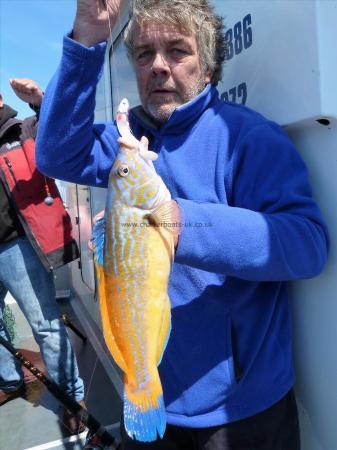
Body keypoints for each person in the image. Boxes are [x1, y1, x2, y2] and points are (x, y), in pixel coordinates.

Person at [35, 0, 329, 448]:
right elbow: (56, 154)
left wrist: (178, 222)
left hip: (240, 412)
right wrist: (89, 36)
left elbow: (307, 243)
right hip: (145, 383)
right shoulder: (127, 143)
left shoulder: (249, 138)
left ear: (208, 68)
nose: (158, 66)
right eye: (143, 54)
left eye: (177, 51)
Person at [0, 78, 86, 435]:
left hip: (17, 246)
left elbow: (61, 128)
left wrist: (40, 100)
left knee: (46, 326)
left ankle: (72, 398)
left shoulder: (24, 128)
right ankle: (9, 382)